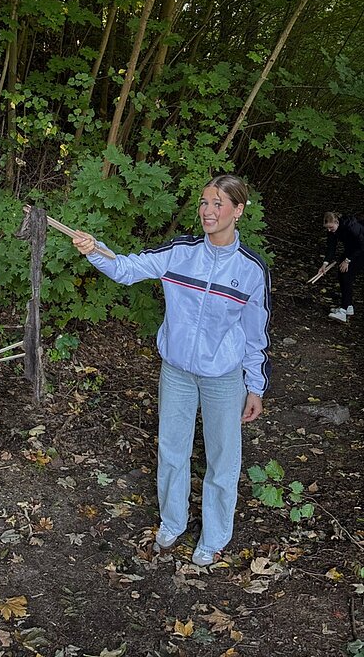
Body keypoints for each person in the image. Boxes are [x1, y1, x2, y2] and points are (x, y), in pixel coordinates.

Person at [73, 175, 270, 567]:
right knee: (173, 449)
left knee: (223, 458)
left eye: (217, 204)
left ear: (238, 210)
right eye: (203, 203)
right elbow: (128, 268)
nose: (208, 211)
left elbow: (255, 333)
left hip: (223, 377)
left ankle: (214, 537)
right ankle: (173, 522)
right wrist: (95, 250)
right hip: (177, 371)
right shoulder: (180, 253)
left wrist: (255, 386)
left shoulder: (251, 270)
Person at [316, 211, 364, 323]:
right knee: (341, 274)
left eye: (331, 227)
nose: (329, 230)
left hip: (361, 250)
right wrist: (325, 264)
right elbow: (331, 247)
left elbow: (361, 245)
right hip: (351, 249)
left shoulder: (351, 227)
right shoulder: (332, 231)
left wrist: (347, 260)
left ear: (337, 222)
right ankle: (348, 306)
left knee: (347, 276)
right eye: (327, 228)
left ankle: (343, 311)